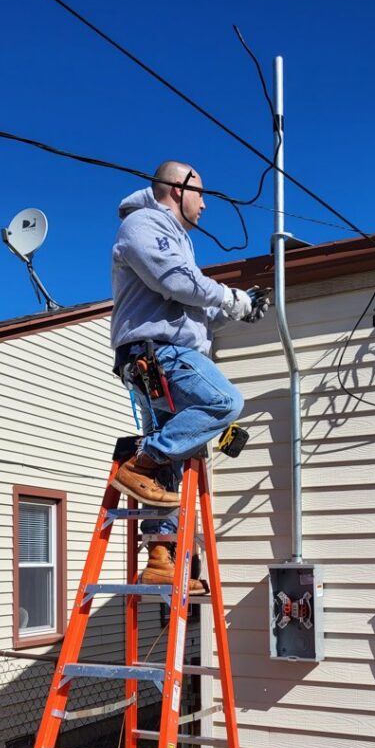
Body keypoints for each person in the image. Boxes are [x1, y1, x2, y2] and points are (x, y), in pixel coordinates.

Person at [109, 160, 269, 590]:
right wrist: (233, 298)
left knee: (169, 470)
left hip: (162, 353)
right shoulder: (144, 224)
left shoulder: (175, 238)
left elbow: (194, 309)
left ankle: (161, 560)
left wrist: (241, 309)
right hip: (158, 353)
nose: (205, 205)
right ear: (178, 189)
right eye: (202, 194)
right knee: (224, 402)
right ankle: (140, 461)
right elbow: (176, 282)